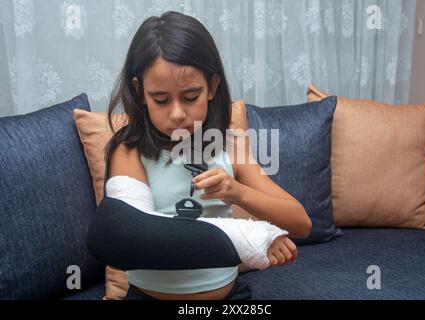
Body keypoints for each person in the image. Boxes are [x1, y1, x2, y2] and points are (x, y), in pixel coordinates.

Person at [104, 11, 312, 300]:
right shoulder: (129, 151)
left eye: (191, 96)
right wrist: (249, 239)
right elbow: (132, 236)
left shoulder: (230, 148)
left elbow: (301, 223)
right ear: (140, 91)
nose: (177, 113)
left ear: (212, 86)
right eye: (160, 99)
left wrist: (237, 192)